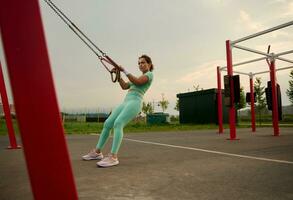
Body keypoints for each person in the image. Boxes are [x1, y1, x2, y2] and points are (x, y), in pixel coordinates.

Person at [82, 54, 154, 167]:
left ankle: (113, 157)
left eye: (143, 62)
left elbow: (139, 82)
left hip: (135, 102)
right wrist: (118, 75)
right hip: (126, 102)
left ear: (149, 64)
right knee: (108, 123)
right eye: (139, 63)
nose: (140, 65)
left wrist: (124, 70)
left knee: (118, 123)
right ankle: (97, 152)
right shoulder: (136, 78)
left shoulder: (149, 75)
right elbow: (125, 86)